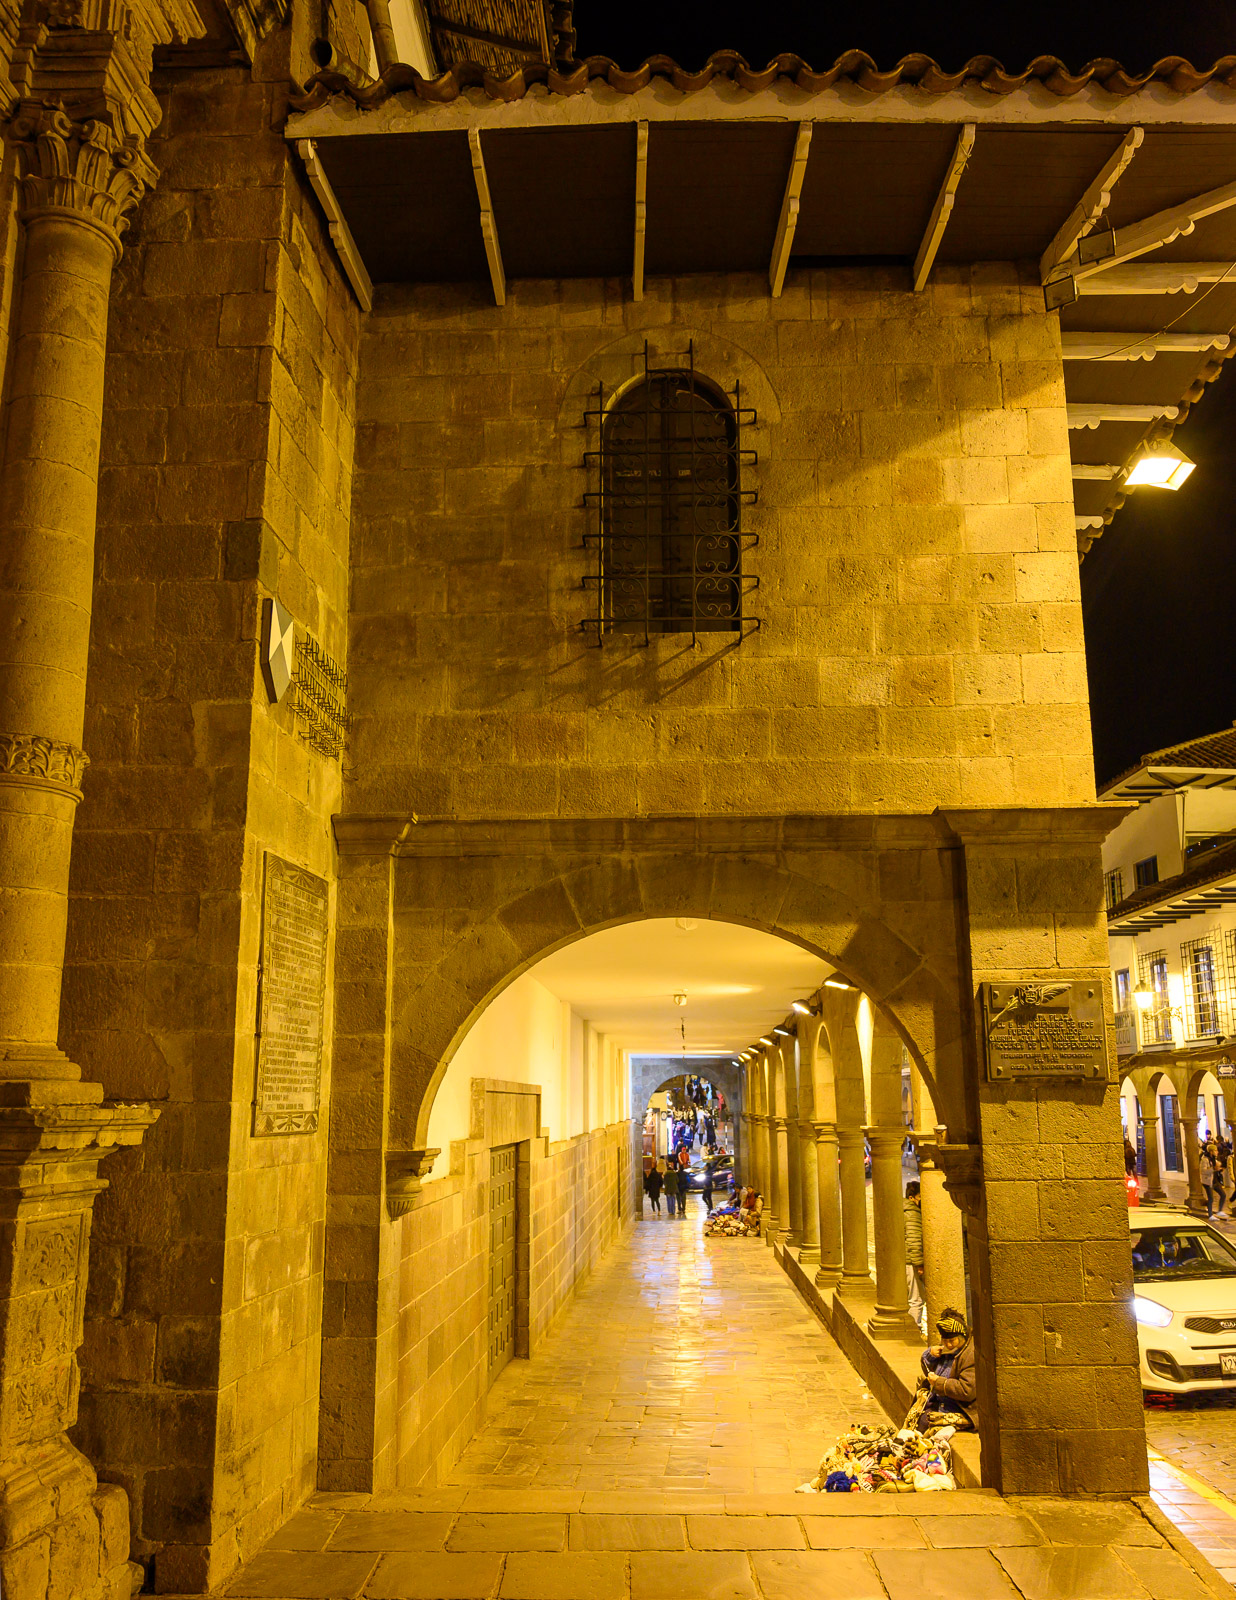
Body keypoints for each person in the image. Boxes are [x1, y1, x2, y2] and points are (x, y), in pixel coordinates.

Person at [919, 1308, 977, 1431]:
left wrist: (940, 1383)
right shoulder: (948, 1350)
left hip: (960, 1408)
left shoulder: (970, 1354)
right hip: (939, 1402)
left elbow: (966, 1390)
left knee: (926, 1424)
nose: (949, 1344)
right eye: (945, 1341)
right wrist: (929, 1355)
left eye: (952, 1340)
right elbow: (929, 1372)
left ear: (962, 1336)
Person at [903, 1180, 925, 1330]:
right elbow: (914, 1240)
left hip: (904, 1261)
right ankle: (913, 1329)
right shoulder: (912, 1214)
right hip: (911, 1262)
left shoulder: (903, 1210)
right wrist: (920, 1264)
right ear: (912, 1198)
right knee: (916, 1299)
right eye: (920, 1196)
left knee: (911, 1298)